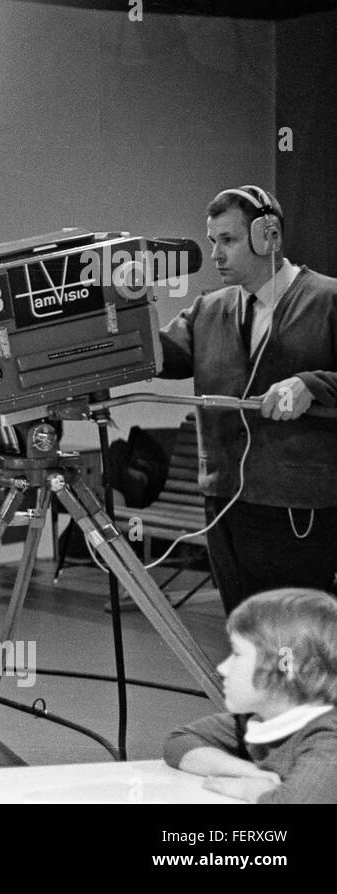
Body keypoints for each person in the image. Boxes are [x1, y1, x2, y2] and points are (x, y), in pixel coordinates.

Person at [159, 185, 337, 615]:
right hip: (225, 502)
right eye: (212, 241)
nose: (216, 254)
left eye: (229, 240)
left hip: (296, 504)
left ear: (268, 236)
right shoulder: (208, 310)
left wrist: (311, 385)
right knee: (244, 632)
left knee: (294, 639)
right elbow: (155, 356)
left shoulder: (328, 300)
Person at [163, 588, 337, 803]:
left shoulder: (329, 734)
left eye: (237, 654)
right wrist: (250, 772)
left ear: (287, 666)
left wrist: (248, 790)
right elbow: (178, 743)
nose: (223, 668)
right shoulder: (257, 721)